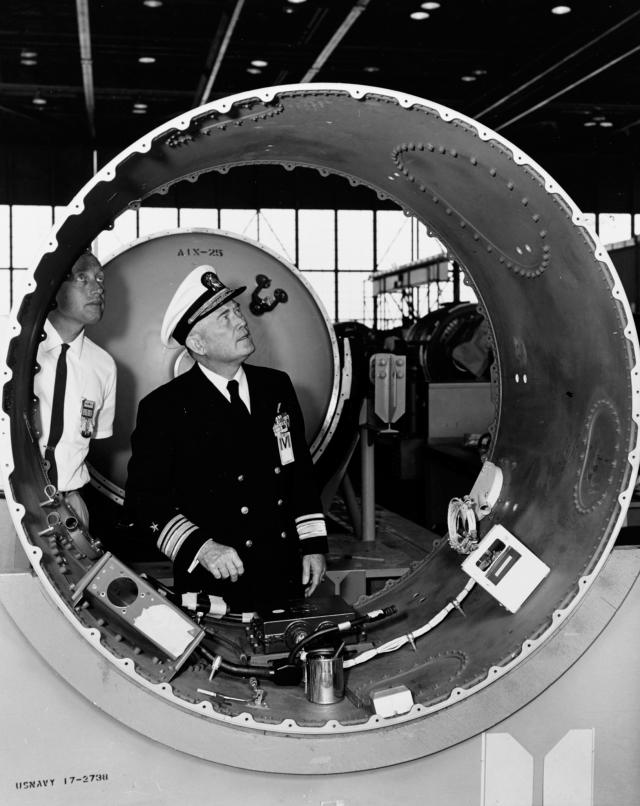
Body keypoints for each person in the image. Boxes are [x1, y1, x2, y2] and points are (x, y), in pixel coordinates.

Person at [125, 265, 328, 612]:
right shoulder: (164, 408)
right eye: (224, 317)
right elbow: (145, 501)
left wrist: (313, 545)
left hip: (283, 571)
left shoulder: (276, 386)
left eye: (236, 311)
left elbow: (298, 473)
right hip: (216, 582)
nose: (241, 321)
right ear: (197, 343)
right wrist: (202, 548)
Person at [35, 250, 116, 528]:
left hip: (71, 508)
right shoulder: (12, 350)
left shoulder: (104, 366)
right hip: (7, 502)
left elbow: (93, 439)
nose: (97, 288)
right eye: (82, 277)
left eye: (100, 279)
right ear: (54, 287)